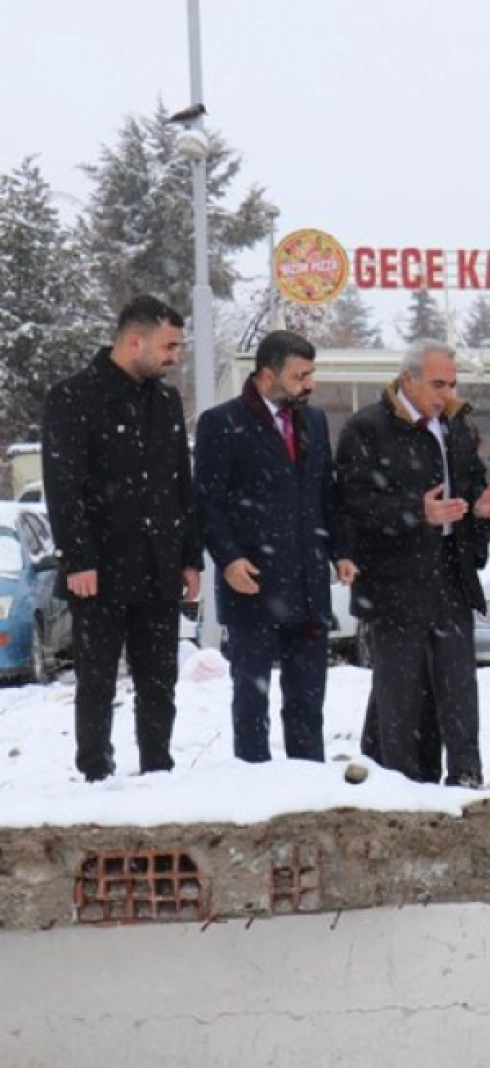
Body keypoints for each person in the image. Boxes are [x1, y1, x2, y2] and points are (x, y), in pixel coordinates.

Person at [41, 296, 202, 782]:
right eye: (169, 346)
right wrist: (78, 558)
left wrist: (189, 558)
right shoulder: (73, 397)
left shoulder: (166, 400)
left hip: (159, 565)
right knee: (96, 679)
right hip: (100, 568)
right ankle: (94, 773)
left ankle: (158, 767)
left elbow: (180, 483)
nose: (175, 356)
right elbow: (64, 485)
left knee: (160, 680)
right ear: (135, 340)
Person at [335, 341, 490, 786]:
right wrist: (415, 511)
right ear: (408, 379)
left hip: (451, 574)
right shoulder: (367, 428)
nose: (445, 393)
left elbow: (471, 486)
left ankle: (465, 777)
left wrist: (481, 509)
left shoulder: (457, 426)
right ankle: (401, 784)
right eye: (437, 384)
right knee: (401, 691)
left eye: (452, 384)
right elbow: (354, 503)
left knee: (458, 686)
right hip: (393, 579)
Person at [194, 330, 355, 763]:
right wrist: (228, 559)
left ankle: (307, 781)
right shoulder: (222, 423)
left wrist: (341, 550)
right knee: (252, 695)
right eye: (300, 375)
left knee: (307, 699)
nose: (310, 384)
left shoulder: (314, 422)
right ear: (268, 375)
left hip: (307, 585)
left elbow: (326, 492)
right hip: (254, 585)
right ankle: (254, 781)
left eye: (311, 374)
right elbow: (208, 503)